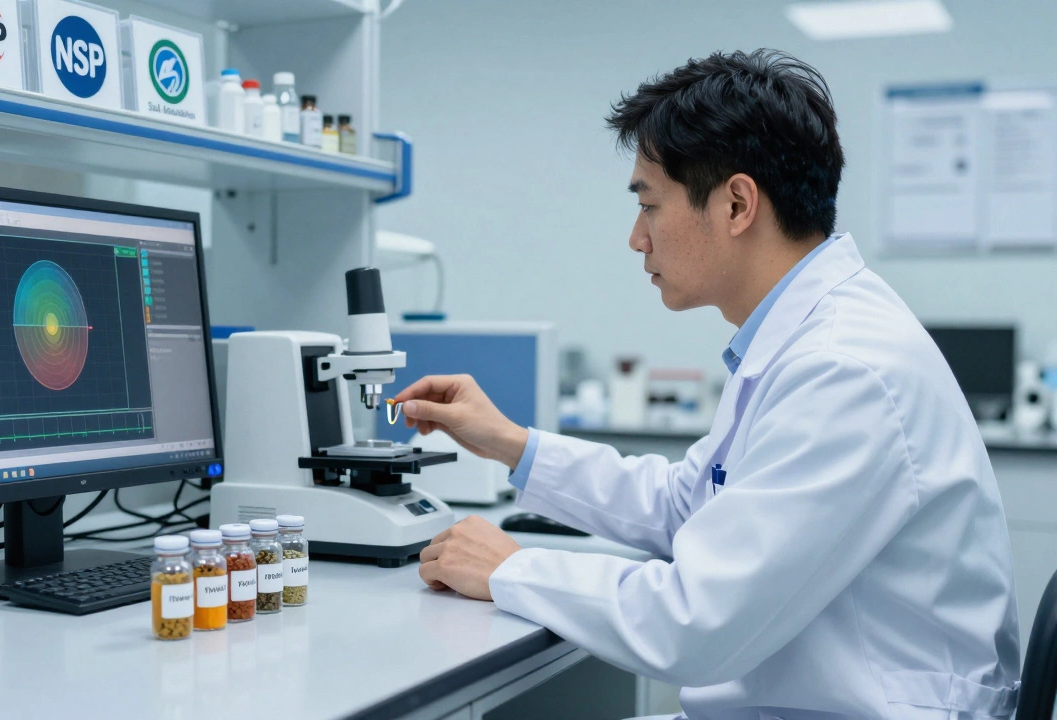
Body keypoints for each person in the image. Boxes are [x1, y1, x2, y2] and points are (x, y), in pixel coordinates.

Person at [396, 49, 1021, 719]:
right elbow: (683, 505)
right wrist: (514, 445)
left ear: (736, 204)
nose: (637, 238)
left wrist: (511, 569)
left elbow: (694, 624)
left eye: (650, 204)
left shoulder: (843, 369)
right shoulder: (795, 340)